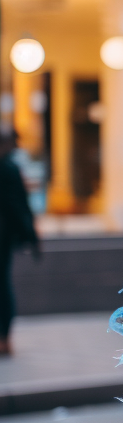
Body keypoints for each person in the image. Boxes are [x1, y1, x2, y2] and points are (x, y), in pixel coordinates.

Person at [0, 132, 41, 355]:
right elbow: (20, 206)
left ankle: (4, 339)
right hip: (4, 238)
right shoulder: (9, 169)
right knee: (3, 286)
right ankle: (4, 338)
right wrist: (32, 237)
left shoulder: (9, 168)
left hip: (4, 238)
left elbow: (19, 206)